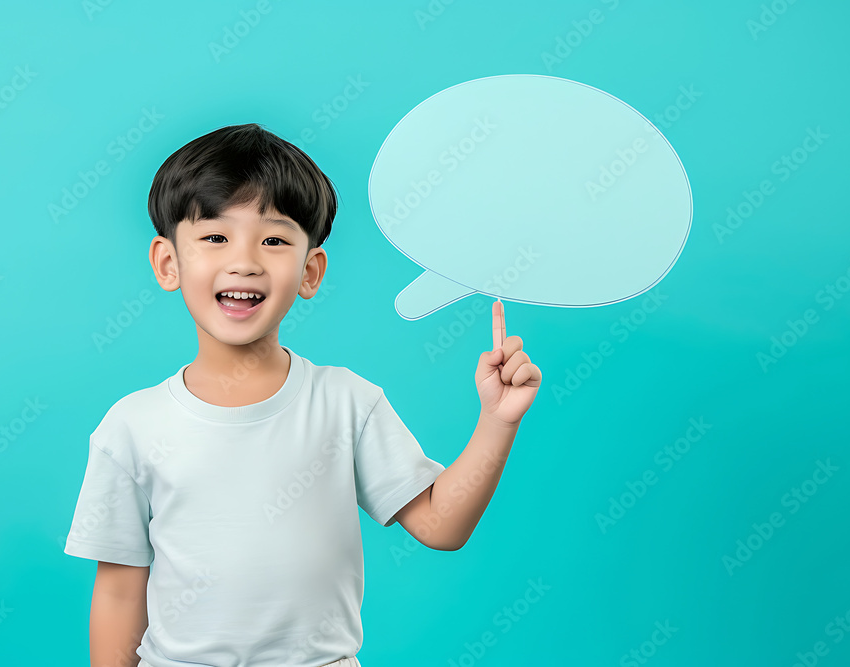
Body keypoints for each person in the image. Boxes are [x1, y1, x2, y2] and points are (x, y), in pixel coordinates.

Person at [63, 123, 541, 667]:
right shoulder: (133, 425)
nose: (244, 261)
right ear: (168, 263)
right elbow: (121, 592)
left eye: (273, 239)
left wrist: (497, 421)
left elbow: (440, 523)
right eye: (215, 237)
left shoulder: (347, 403)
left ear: (310, 271)